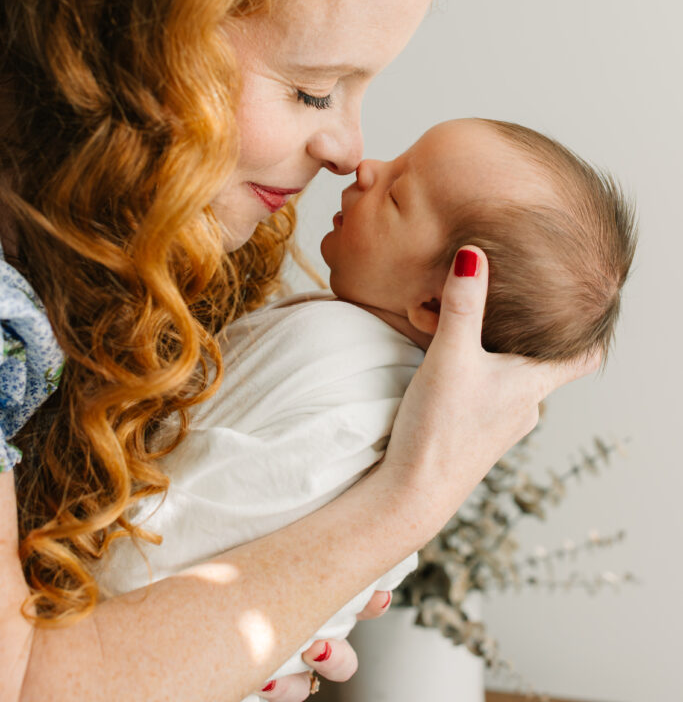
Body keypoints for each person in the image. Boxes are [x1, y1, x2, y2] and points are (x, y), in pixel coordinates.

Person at [0, 0, 602, 702]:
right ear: (136, 32)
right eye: (315, 90)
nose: (348, 148)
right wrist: (404, 499)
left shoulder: (120, 262)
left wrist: (214, 641)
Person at [93, 117, 636, 699]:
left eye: (398, 192)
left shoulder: (337, 361)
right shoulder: (410, 420)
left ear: (436, 302)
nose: (364, 167)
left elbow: (144, 560)